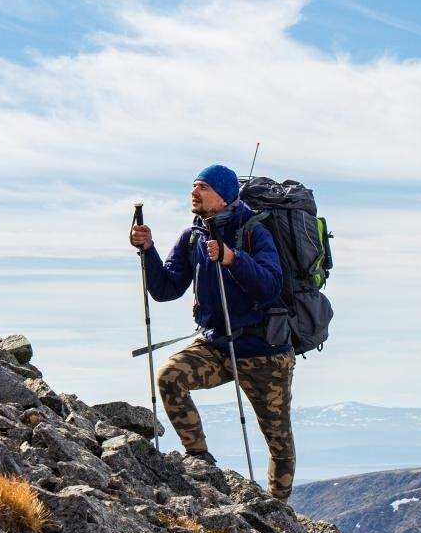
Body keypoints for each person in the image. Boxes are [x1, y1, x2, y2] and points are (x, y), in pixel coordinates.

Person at [128, 164, 298, 501]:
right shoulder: (193, 236)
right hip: (217, 344)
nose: (194, 193)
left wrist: (232, 258)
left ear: (223, 196)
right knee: (169, 377)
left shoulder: (253, 231)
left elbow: (270, 285)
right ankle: (199, 459)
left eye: (202, 187)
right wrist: (148, 251)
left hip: (264, 350)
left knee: (278, 441)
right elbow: (166, 289)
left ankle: (277, 510)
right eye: (194, 187)